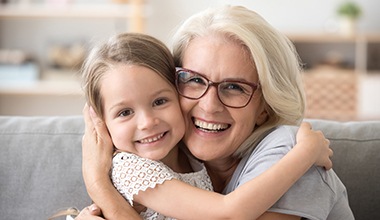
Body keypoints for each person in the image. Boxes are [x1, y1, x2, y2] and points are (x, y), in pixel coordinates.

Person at [79, 5, 354, 220]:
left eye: (234, 87)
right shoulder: (154, 160)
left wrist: (100, 188)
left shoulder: (285, 150)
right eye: (195, 80)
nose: (209, 105)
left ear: (265, 108)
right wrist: (98, 186)